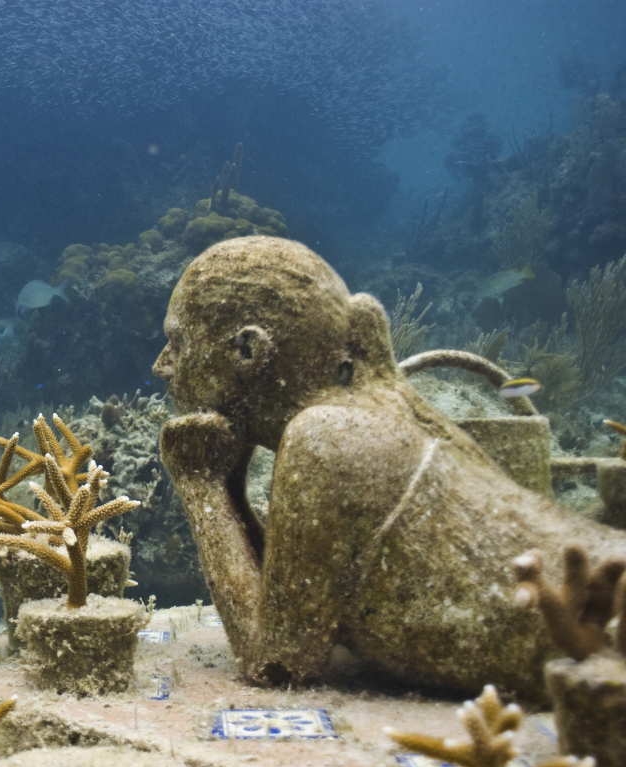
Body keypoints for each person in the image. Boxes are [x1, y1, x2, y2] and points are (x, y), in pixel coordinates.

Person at [153, 236, 621, 701]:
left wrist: (199, 485)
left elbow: (277, 661)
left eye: (177, 342)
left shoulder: (325, 436)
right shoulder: (378, 407)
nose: (162, 365)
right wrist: (229, 479)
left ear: (249, 351)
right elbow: (292, 601)